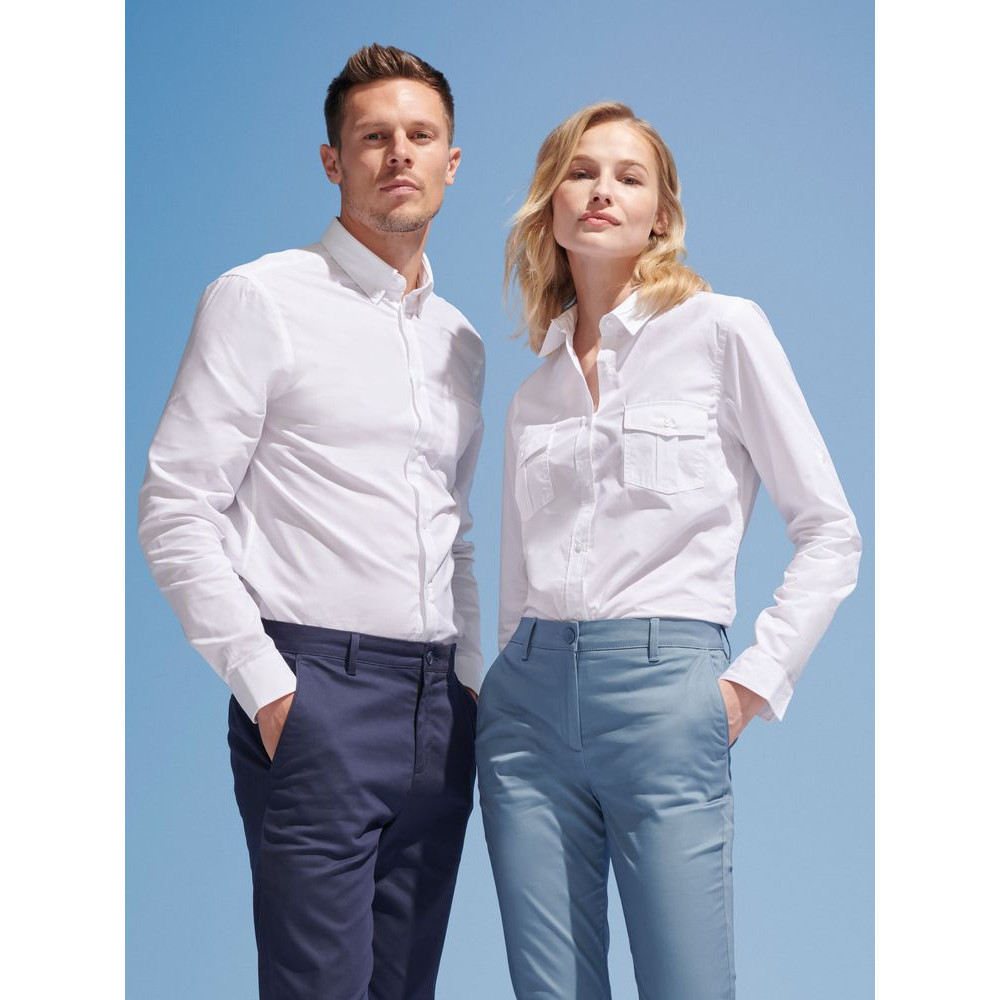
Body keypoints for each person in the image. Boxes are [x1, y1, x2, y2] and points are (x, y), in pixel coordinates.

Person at [475, 101, 862, 1000]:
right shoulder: (533, 395)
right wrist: (502, 686)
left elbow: (830, 530)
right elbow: (515, 584)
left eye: (628, 176)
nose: (601, 190)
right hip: (526, 711)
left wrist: (747, 687)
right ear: (549, 203)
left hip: (666, 693)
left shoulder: (722, 331)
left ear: (662, 215)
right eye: (580, 172)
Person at [138, 44, 484, 1000]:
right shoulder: (261, 299)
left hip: (439, 712)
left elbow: (451, 529)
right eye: (373, 137)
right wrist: (269, 688)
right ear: (334, 161)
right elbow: (175, 505)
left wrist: (467, 682)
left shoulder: (459, 340)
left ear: (452, 162)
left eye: (421, 135)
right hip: (316, 692)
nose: (399, 153)